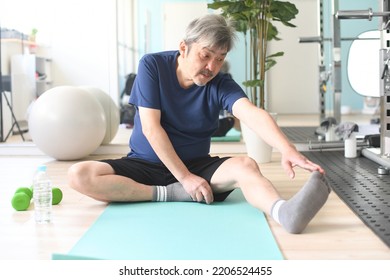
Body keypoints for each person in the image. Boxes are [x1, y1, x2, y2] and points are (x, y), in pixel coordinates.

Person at [68, 14, 331, 234]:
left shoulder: (220, 83)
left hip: (197, 166)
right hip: (144, 165)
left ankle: (283, 212)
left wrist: (287, 148)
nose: (211, 66)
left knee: (245, 165)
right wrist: (184, 181)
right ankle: (170, 193)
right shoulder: (153, 66)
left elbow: (251, 113)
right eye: (206, 55)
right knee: (79, 175)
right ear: (184, 47)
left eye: (219, 58)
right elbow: (151, 128)